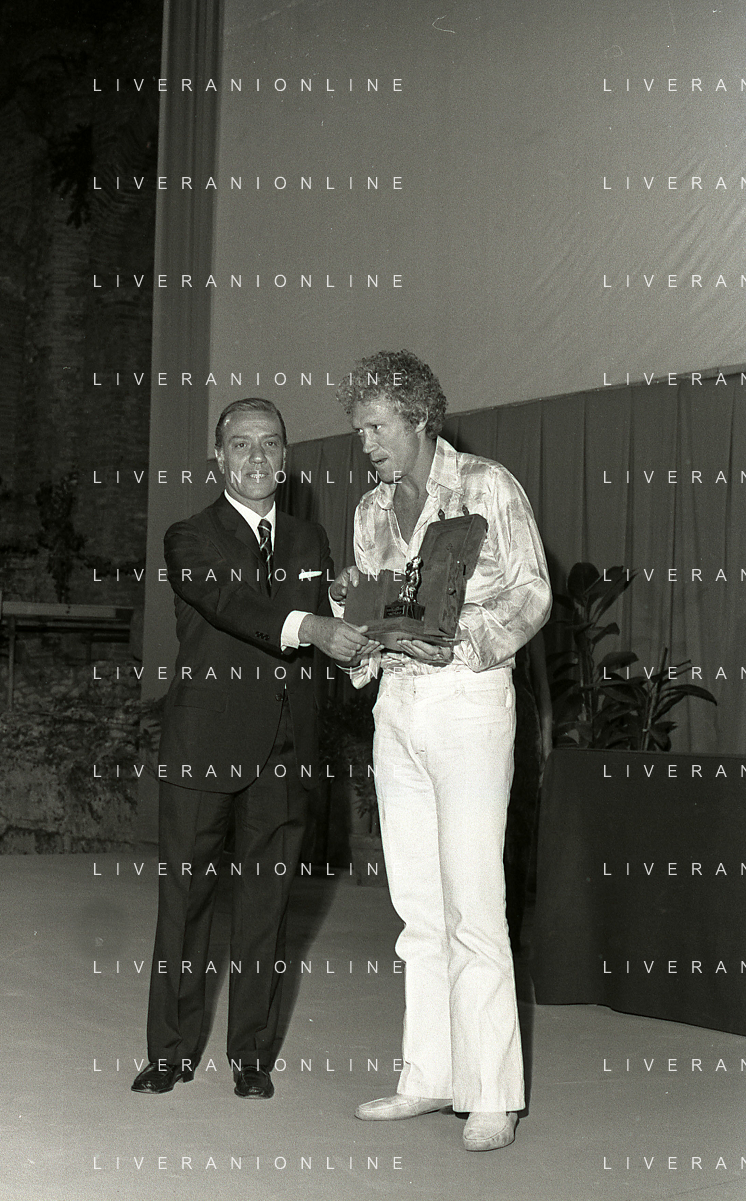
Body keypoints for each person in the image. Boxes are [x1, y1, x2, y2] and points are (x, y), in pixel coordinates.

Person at [329, 351, 551, 1151]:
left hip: (469, 702)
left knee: (473, 902)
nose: (366, 444)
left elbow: (533, 592)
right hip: (397, 707)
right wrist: (350, 623)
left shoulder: (488, 485)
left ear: (420, 417)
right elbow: (370, 618)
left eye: (377, 427)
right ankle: (428, 1074)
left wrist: (461, 639)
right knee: (417, 906)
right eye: (360, 430)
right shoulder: (369, 510)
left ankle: (491, 1093)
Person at [133, 397, 376, 1101]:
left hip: (286, 749)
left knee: (268, 908)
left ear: (286, 457)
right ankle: (169, 1053)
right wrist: (314, 625)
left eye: (270, 444)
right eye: (241, 444)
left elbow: (331, 624)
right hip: (203, 746)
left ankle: (252, 1055)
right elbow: (235, 605)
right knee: (185, 904)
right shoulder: (189, 537)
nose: (257, 457)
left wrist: (347, 603)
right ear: (218, 457)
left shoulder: (309, 539)